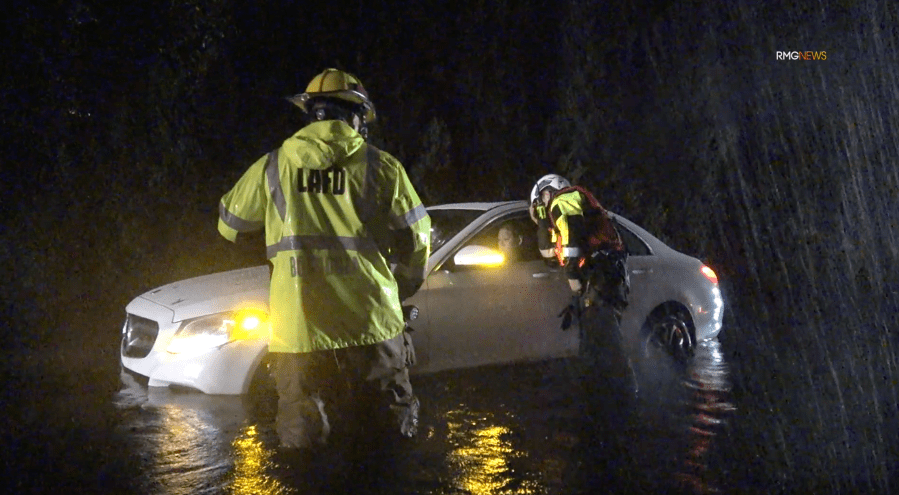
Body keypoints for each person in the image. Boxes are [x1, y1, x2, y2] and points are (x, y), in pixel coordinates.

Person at [217, 68, 431, 450]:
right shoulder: (382, 167)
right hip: (372, 323)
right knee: (387, 437)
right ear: (355, 116)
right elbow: (419, 236)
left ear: (312, 113)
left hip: (299, 326)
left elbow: (229, 223)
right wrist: (405, 285)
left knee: (304, 442)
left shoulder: (273, 166)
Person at [528, 173, 636, 396]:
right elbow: (548, 253)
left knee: (605, 340)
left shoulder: (563, 200)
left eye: (539, 202)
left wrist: (572, 274)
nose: (541, 208)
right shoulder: (562, 210)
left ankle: (627, 400)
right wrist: (541, 222)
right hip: (603, 275)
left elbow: (573, 233)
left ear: (547, 193)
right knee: (594, 343)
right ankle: (601, 401)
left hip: (603, 273)